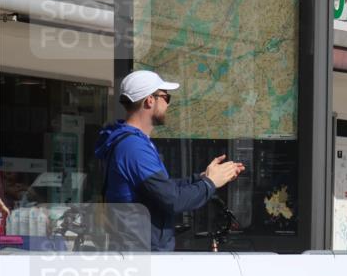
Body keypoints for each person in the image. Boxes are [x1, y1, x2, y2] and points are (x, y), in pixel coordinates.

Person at [95, 70, 244, 251]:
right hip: (142, 255)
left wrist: (201, 178)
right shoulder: (133, 148)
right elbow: (173, 200)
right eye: (166, 97)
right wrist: (209, 183)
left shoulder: (133, 143)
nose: (168, 104)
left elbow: (161, 189)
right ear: (150, 100)